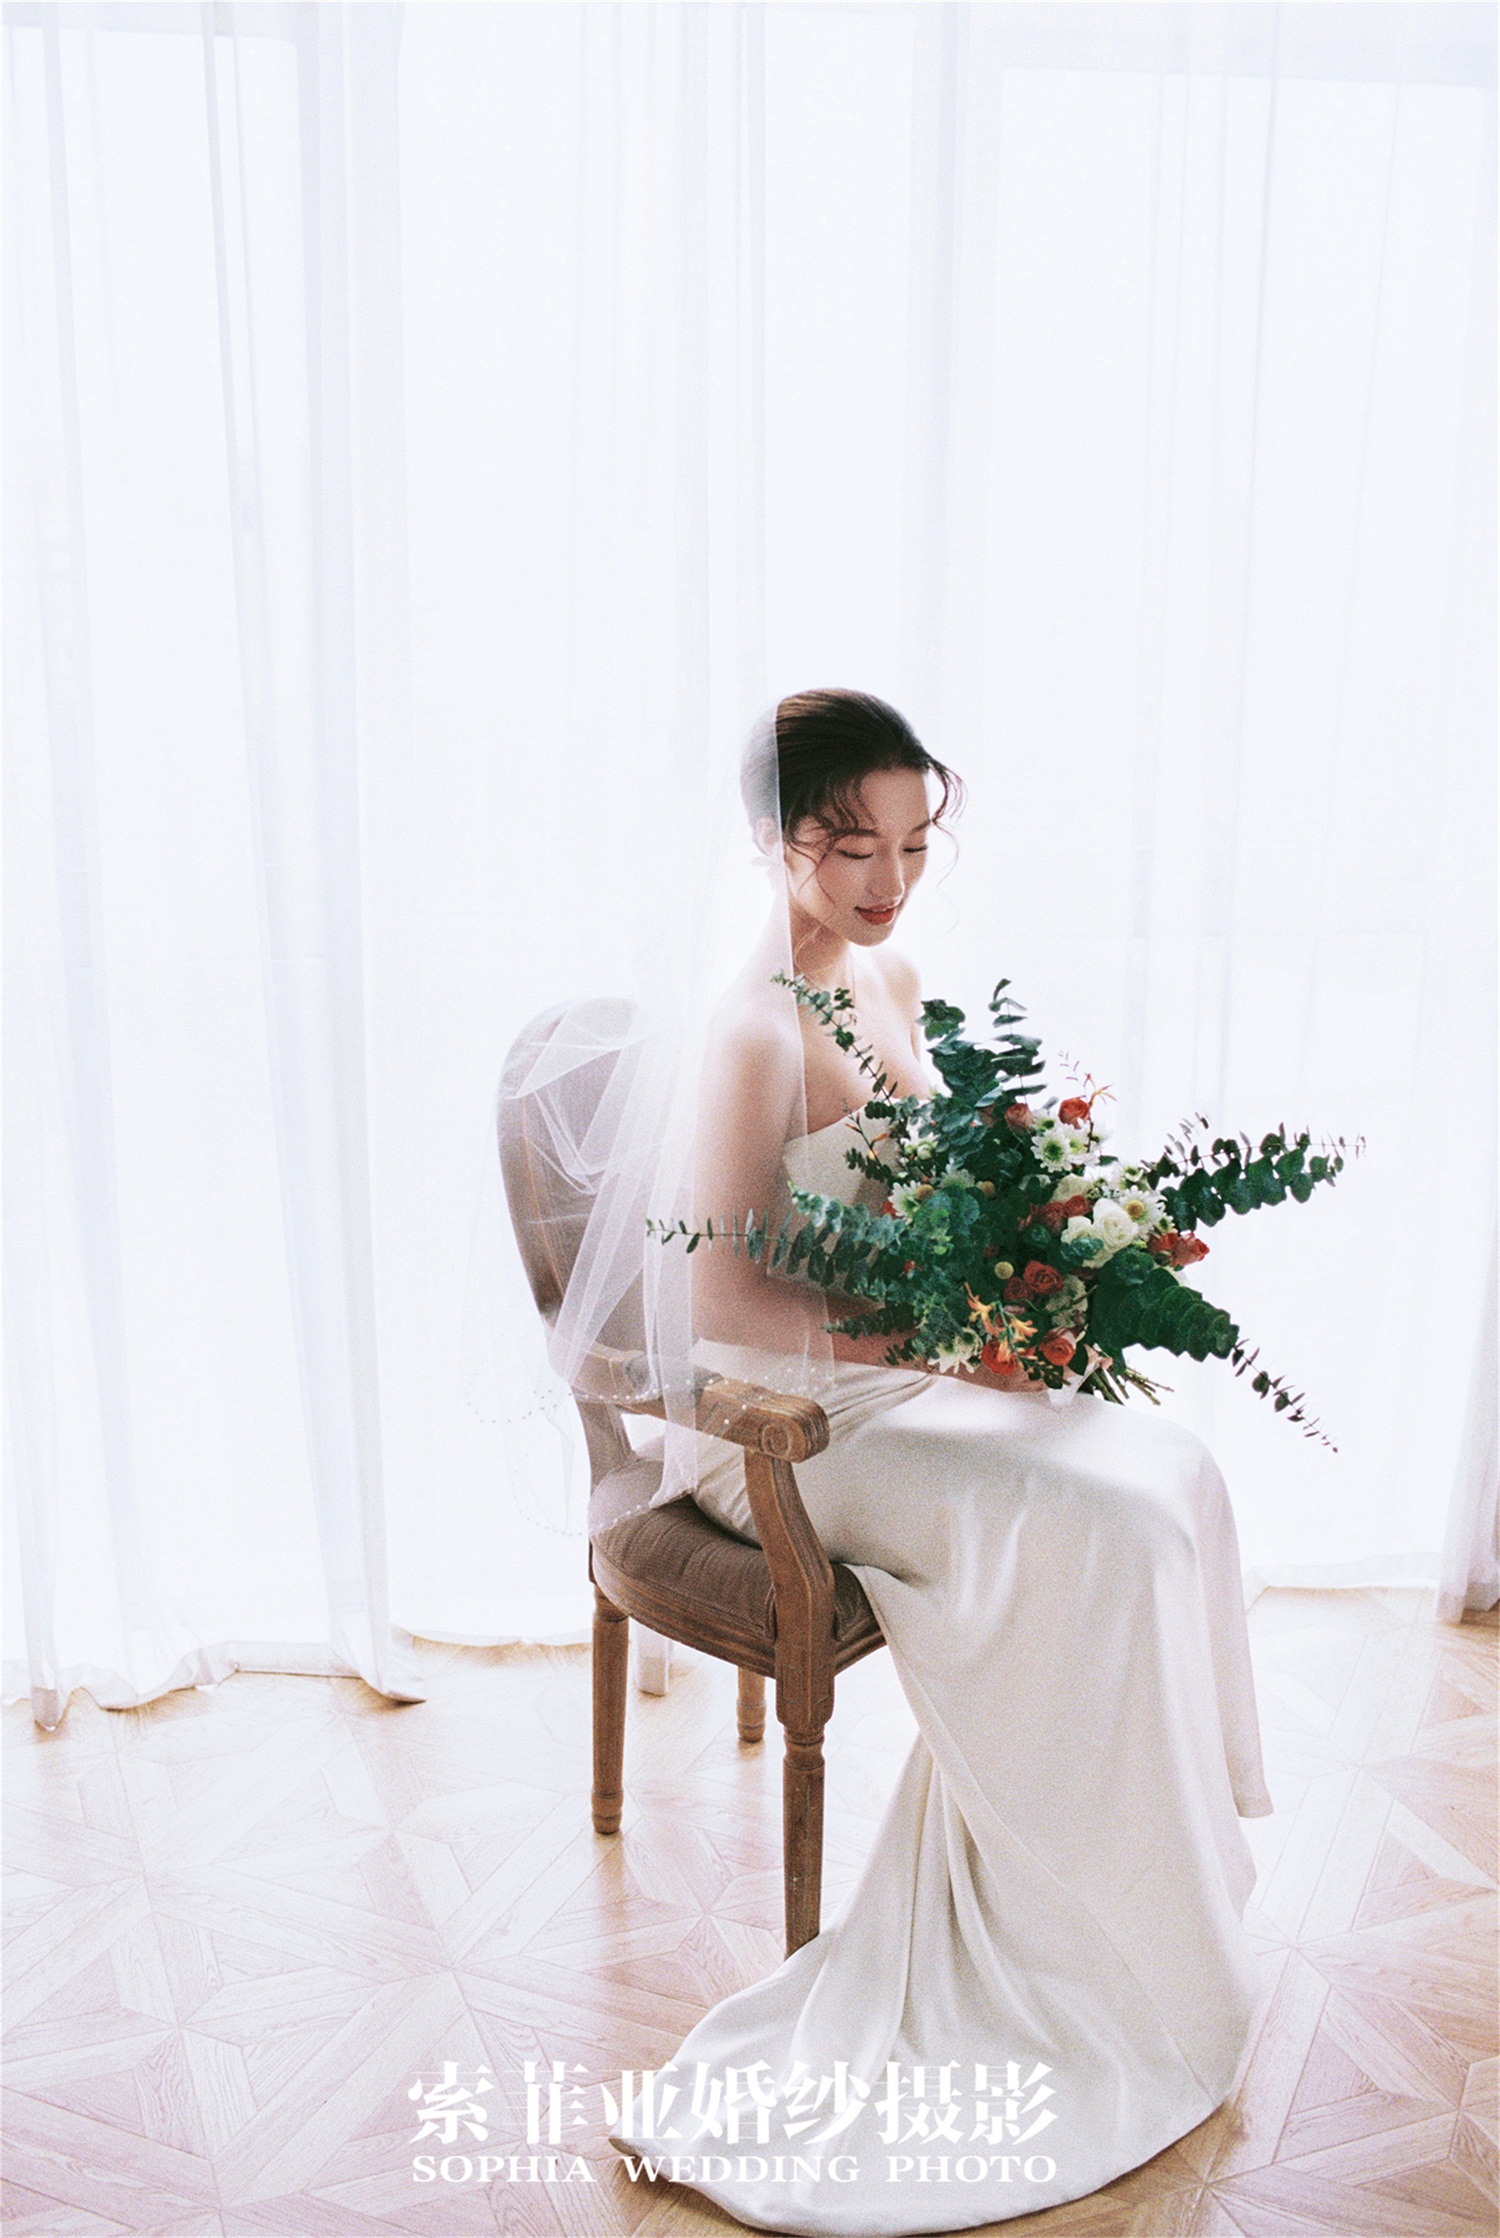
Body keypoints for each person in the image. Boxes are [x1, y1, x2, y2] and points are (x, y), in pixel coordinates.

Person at [582, 689, 1274, 2235]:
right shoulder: (754, 1028)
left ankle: (1134, 1906)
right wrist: (943, 1335)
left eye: (912, 841)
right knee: (1094, 1526)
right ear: (777, 841)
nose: (890, 878)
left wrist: (1031, 1262)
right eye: (854, 847)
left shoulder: (887, 975)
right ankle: (1052, 1948)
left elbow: (934, 1192)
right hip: (781, 1425)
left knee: (1165, 1473)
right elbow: (724, 1296)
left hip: (897, 1377)